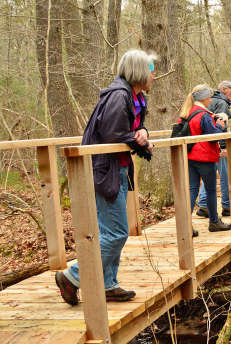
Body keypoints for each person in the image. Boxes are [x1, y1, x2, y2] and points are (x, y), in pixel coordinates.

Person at [55, 49, 156, 306]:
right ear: (139, 71)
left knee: (110, 232)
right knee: (117, 233)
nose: (154, 76)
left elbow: (131, 129)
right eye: (151, 70)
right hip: (105, 171)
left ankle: (108, 284)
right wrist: (142, 143)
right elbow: (114, 134)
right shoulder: (119, 96)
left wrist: (142, 131)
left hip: (117, 169)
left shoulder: (134, 97)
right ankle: (71, 276)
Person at [179, 84, 231, 232]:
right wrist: (220, 125)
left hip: (190, 157)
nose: (211, 100)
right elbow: (213, 136)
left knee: (192, 189)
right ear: (204, 98)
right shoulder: (203, 114)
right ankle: (214, 222)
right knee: (210, 190)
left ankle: (185, 226)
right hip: (205, 158)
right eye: (209, 97)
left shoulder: (188, 112)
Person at [196, 80, 231, 218]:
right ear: (223, 89)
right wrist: (222, 147)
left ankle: (203, 204)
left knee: (210, 174)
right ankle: (227, 206)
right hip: (218, 145)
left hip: (207, 144)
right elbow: (220, 127)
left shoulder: (210, 101)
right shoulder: (221, 103)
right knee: (225, 175)